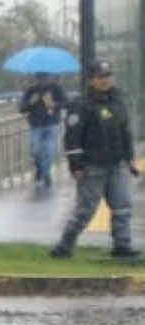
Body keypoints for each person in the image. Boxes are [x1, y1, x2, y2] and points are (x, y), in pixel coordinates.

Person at [53, 59, 139, 260]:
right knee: (86, 210)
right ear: (92, 79)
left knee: (122, 206)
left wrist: (130, 157)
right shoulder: (80, 104)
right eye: (100, 76)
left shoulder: (117, 101)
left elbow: (124, 131)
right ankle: (64, 245)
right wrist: (76, 165)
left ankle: (122, 246)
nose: (105, 80)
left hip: (117, 163)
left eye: (108, 76)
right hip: (92, 166)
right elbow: (72, 136)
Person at [21, 72, 66, 188]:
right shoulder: (31, 90)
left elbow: (66, 103)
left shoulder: (56, 88)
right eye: (40, 78)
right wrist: (31, 102)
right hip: (36, 126)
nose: (43, 80)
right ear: (37, 78)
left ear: (50, 77)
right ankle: (41, 170)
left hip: (51, 124)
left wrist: (54, 105)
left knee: (49, 152)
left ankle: (45, 175)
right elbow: (22, 108)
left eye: (46, 77)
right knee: (35, 150)